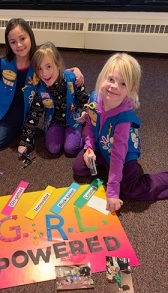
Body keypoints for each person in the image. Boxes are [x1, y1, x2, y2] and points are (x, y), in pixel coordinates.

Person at [72, 53, 168, 212]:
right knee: (79, 168)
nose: (114, 86)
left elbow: (117, 155)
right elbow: (89, 124)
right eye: (111, 79)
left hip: (123, 155)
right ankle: (105, 166)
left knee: (131, 188)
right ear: (103, 77)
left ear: (131, 89)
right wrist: (89, 148)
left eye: (123, 84)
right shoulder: (94, 98)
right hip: (102, 145)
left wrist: (112, 192)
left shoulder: (123, 118)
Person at [0, 18, 84, 150]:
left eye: (22, 39)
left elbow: (54, 67)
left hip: (18, 110)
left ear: (30, 36)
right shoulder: (4, 62)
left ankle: (12, 127)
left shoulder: (37, 60)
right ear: (9, 44)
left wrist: (75, 70)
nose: (19, 45)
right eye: (13, 42)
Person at [18, 41, 89, 156]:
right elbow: (34, 114)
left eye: (49, 66)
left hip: (74, 121)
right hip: (55, 122)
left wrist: (85, 113)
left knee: (71, 148)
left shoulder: (72, 79)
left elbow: (85, 100)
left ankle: (84, 134)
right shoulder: (40, 89)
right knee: (53, 149)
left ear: (58, 64)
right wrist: (25, 141)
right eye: (39, 69)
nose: (44, 73)